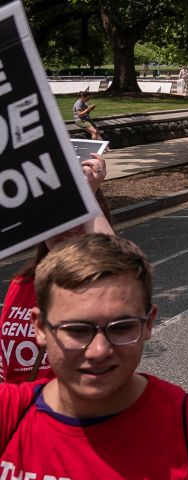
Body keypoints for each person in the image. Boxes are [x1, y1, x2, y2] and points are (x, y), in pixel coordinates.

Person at [2, 234, 188, 480]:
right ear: (40, 328)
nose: (98, 350)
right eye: (76, 330)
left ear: (149, 323)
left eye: (121, 327)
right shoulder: (8, 413)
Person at [1, 154, 112, 384]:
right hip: (19, 412)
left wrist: (89, 190)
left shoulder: (95, 286)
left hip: (69, 412)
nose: (67, 228)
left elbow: (114, 262)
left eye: (77, 216)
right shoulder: (21, 283)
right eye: (56, 218)